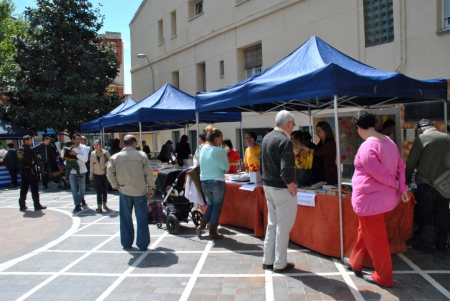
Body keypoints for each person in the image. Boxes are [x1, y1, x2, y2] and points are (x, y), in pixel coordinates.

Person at [343, 110, 408, 288]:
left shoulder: (366, 147)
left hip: (370, 202)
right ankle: (355, 262)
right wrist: (400, 186)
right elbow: (401, 166)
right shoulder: (390, 142)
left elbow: (379, 174)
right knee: (365, 233)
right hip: (386, 202)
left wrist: (395, 184)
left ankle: (384, 277)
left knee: (376, 241)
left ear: (358, 127)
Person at [260, 110, 297, 273]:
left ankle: (268, 260)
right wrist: (293, 189)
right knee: (282, 227)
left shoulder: (266, 138)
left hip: (268, 186)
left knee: (272, 224)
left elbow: (262, 164)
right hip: (281, 188)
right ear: (289, 124)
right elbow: (286, 172)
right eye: (293, 125)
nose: (293, 128)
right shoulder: (285, 141)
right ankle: (280, 263)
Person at [405, 119, 450, 254]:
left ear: (420, 129)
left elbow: (411, 162)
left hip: (426, 184)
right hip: (445, 184)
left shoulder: (421, 138)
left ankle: (427, 244)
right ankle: (442, 244)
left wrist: (406, 181)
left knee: (426, 214)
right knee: (443, 213)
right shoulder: (446, 137)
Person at [107, 135, 155, 251]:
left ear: (123, 144)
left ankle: (126, 242)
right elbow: (149, 174)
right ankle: (143, 244)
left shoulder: (115, 157)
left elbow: (109, 174)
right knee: (141, 218)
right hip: (140, 191)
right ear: (134, 144)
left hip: (124, 190)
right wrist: (151, 189)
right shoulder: (142, 156)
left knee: (125, 218)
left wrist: (116, 186)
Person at [196, 125, 229, 239]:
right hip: (217, 181)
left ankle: (202, 225)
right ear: (216, 139)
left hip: (204, 181)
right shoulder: (220, 151)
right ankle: (213, 231)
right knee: (217, 206)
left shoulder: (202, 148)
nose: (222, 140)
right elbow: (226, 167)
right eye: (221, 138)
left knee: (211, 204)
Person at [17, 135, 47, 211]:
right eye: (29, 141)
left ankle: (22, 205)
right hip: (30, 170)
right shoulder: (29, 149)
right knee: (34, 188)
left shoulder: (19, 149)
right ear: (25, 141)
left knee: (24, 188)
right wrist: (33, 162)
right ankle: (37, 205)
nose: (31, 142)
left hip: (23, 171)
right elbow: (36, 160)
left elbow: (19, 160)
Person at [65, 133, 89, 212]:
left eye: (80, 139)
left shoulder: (84, 148)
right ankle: (77, 204)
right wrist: (69, 164)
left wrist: (76, 154)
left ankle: (81, 199)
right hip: (72, 171)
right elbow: (64, 159)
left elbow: (85, 159)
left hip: (81, 170)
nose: (78, 141)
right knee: (74, 189)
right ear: (73, 139)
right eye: (77, 139)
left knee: (82, 188)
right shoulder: (68, 148)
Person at [90, 140, 111, 213]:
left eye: (97, 145)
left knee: (104, 189)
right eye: (94, 145)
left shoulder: (105, 153)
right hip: (96, 174)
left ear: (100, 145)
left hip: (104, 173)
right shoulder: (92, 154)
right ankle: (99, 206)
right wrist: (91, 174)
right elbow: (91, 165)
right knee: (98, 190)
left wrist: (107, 163)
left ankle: (105, 204)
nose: (96, 146)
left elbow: (111, 161)